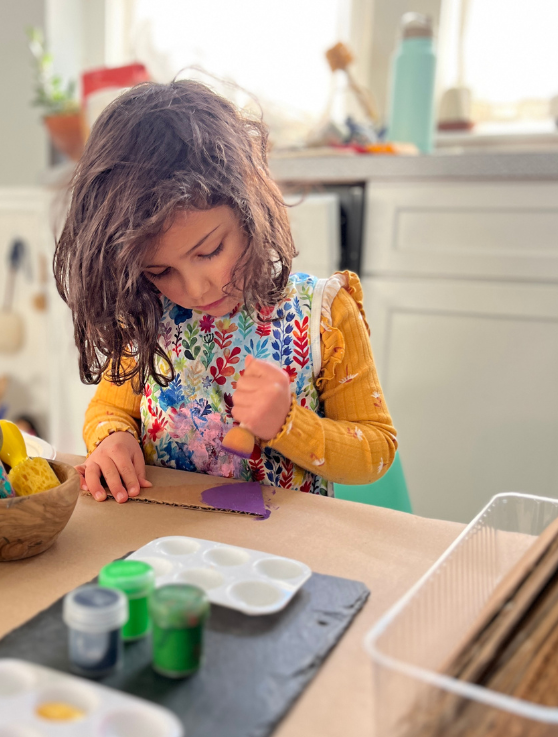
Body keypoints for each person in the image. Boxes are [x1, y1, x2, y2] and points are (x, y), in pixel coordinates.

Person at [54, 80, 396, 504]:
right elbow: (109, 408)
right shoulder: (149, 315)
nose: (195, 289)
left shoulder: (324, 316)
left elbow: (376, 450)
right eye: (161, 271)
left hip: (284, 540)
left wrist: (290, 425)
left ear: (250, 206)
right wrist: (113, 439)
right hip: (170, 531)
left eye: (210, 251)